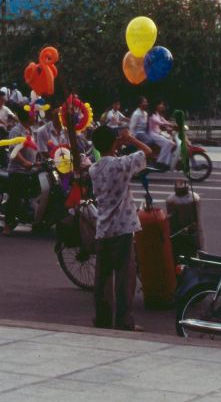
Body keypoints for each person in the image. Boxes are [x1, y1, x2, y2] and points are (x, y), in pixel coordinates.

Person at [90, 125, 153, 331]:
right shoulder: (122, 164)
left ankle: (102, 318)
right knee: (124, 278)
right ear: (113, 143)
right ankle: (124, 321)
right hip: (123, 228)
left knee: (103, 278)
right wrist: (131, 139)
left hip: (103, 229)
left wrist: (117, 142)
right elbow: (148, 152)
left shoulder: (94, 168)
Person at [1, 109, 40, 235]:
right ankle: (7, 225)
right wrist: (24, 162)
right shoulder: (16, 131)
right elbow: (14, 150)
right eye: (32, 115)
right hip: (18, 170)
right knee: (15, 198)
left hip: (32, 169)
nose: (35, 117)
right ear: (27, 118)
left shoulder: (31, 131)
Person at [146, 101, 178, 171]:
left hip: (158, 133)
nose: (162, 106)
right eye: (160, 104)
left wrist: (172, 125)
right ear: (156, 105)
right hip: (152, 134)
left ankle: (166, 163)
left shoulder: (158, 114)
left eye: (162, 104)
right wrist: (169, 125)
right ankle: (159, 162)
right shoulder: (152, 115)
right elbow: (159, 122)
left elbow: (164, 121)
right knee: (167, 143)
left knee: (172, 144)